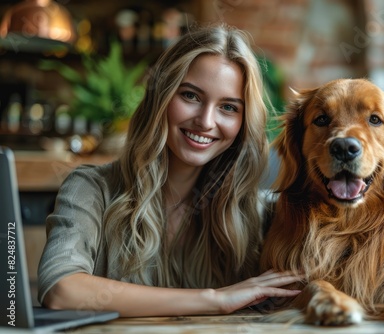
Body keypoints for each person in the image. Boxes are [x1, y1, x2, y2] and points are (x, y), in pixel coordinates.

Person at [37, 23, 302, 317]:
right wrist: (215, 299)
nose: (205, 121)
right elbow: (61, 290)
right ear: (160, 96)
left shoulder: (258, 212)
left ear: (243, 123)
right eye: (190, 96)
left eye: (228, 107)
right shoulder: (91, 189)